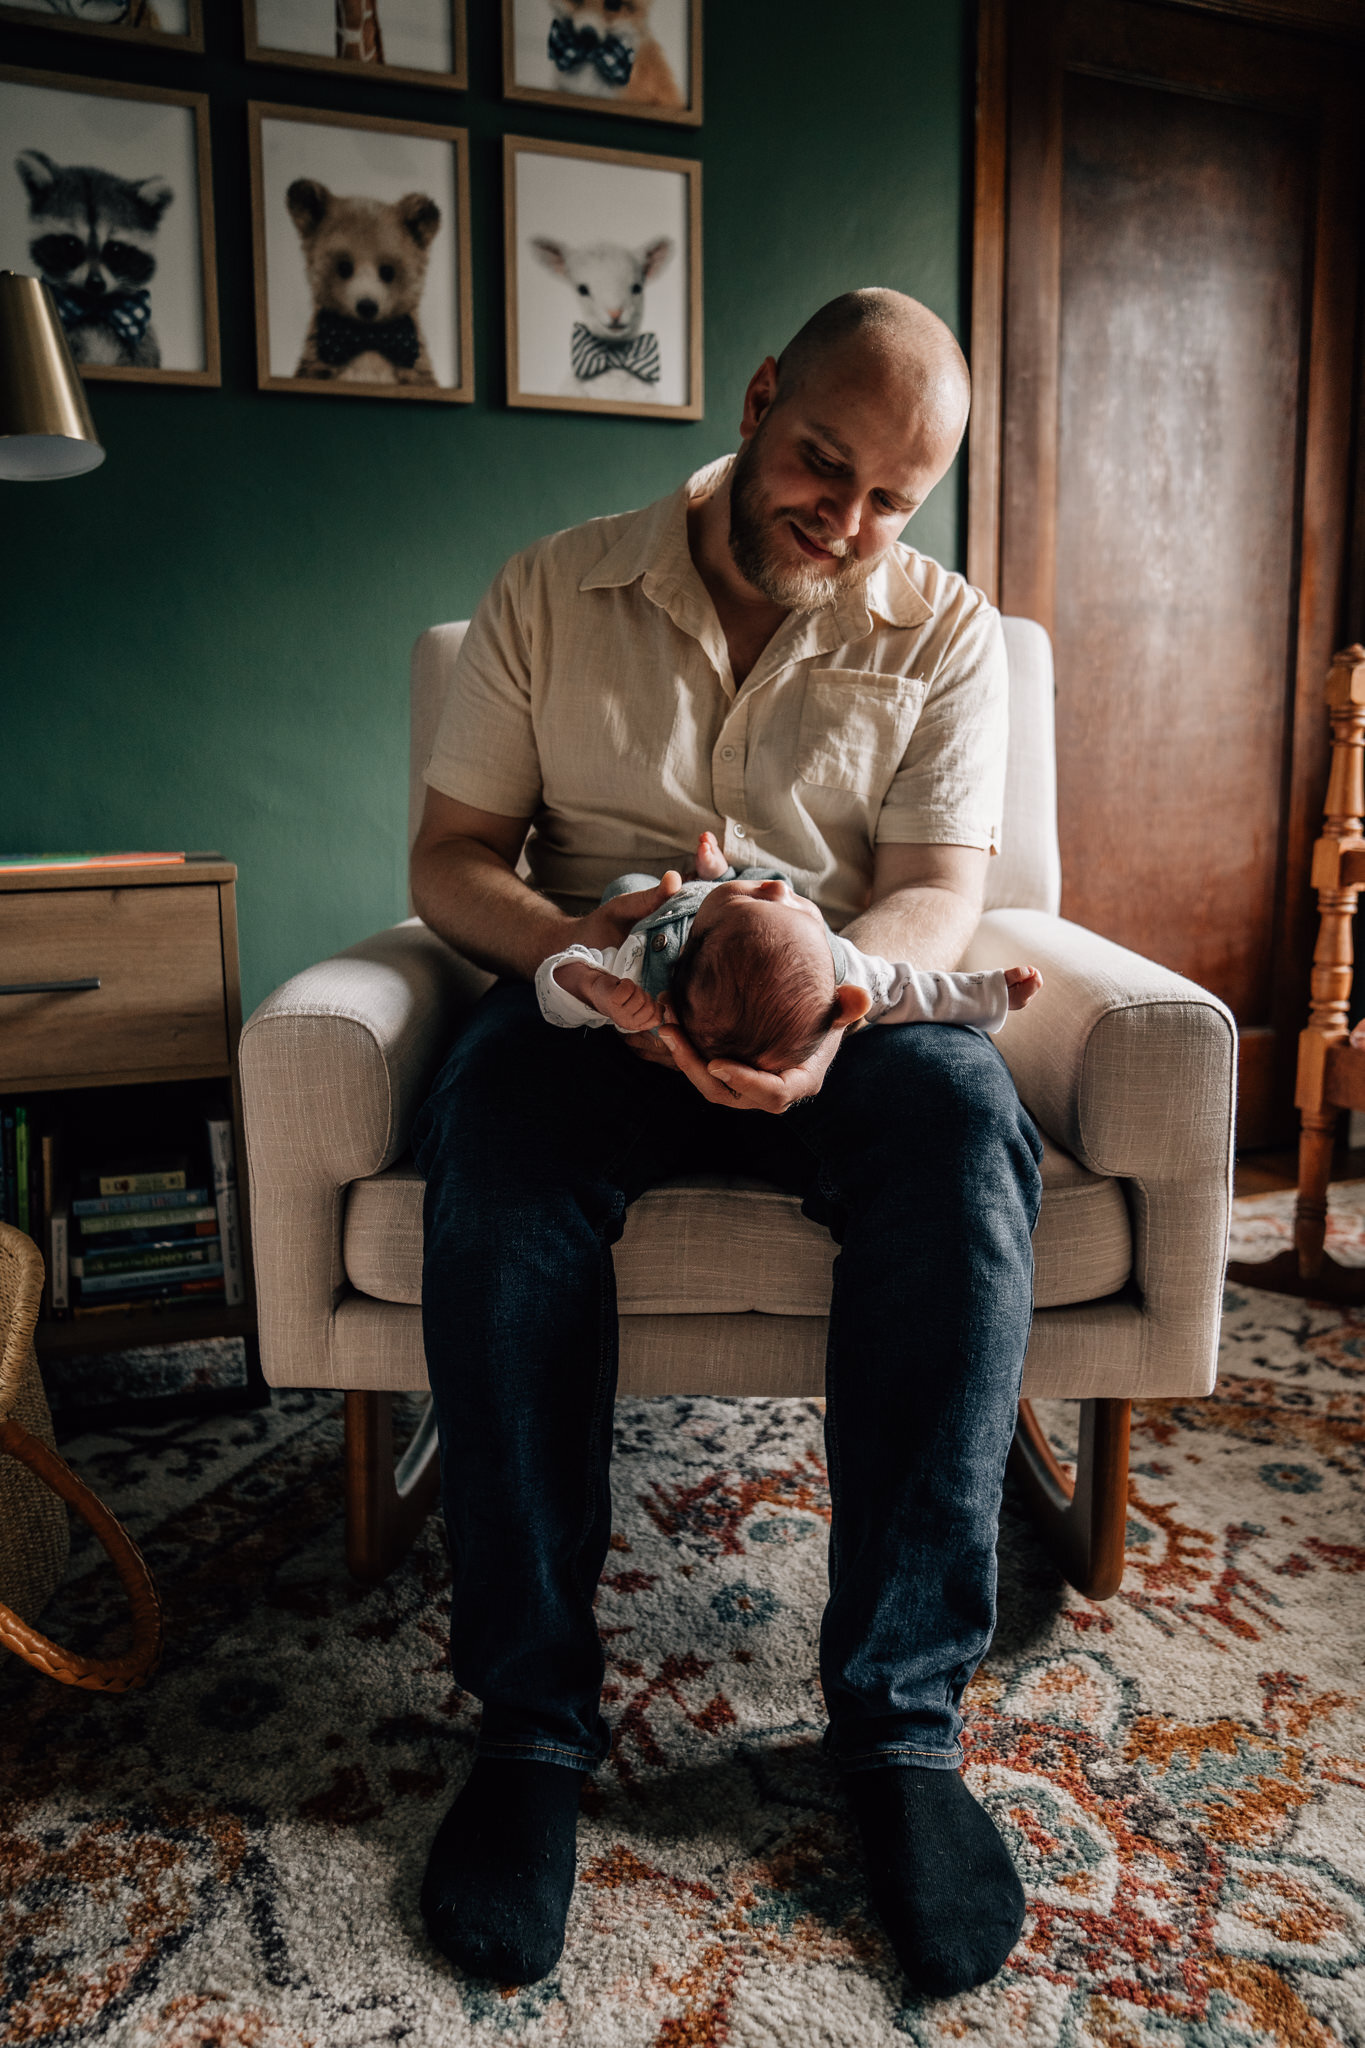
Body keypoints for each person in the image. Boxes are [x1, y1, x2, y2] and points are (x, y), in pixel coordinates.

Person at [408, 287, 1045, 1999]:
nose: (842, 520)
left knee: (971, 1131)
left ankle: (901, 1728)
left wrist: (832, 994)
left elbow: (935, 890)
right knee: (494, 1156)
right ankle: (533, 1727)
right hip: (602, 992)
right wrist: (574, 950)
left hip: (828, 1007)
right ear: (761, 398)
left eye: (888, 499)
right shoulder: (553, 585)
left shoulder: (946, 631)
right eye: (820, 464)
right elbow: (452, 854)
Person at [537, 830, 1044, 1067]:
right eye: (792, 907)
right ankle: (722, 878)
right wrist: (990, 993)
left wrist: (591, 987)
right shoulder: (836, 970)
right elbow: (912, 989)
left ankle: (712, 880)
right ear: (845, 1001)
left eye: (760, 899)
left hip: (661, 906)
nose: (785, 894)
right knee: (755, 884)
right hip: (719, 902)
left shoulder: (639, 976)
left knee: (631, 884)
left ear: (696, 937)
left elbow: (555, 977)